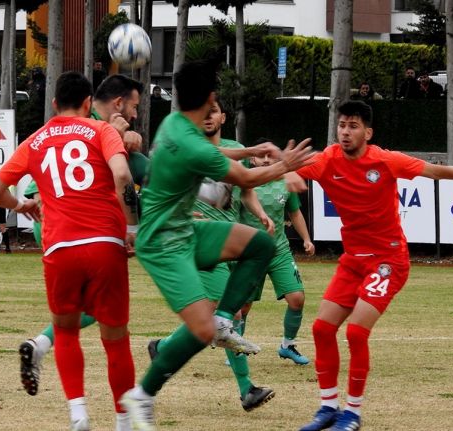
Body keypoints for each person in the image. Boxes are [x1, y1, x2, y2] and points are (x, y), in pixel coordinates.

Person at [119, 60, 315, 430]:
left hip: (187, 230)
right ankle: (142, 394)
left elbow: (221, 158)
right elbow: (242, 177)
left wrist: (252, 149)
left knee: (260, 244)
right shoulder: (195, 145)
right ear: (211, 98)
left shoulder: (175, 124)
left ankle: (226, 320)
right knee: (201, 330)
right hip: (164, 243)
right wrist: (285, 165)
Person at [294, 100, 453, 431]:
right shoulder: (327, 161)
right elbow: (283, 175)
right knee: (322, 329)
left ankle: (351, 413)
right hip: (352, 261)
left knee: (355, 331)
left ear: (368, 132)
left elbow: (437, 171)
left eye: (353, 126)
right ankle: (327, 408)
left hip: (388, 261)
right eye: (341, 125)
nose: (345, 132)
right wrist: (250, 173)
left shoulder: (385, 160)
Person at [0, 71, 139, 431]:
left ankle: (78, 415)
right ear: (88, 103)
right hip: (104, 243)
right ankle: (123, 424)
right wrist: (132, 226)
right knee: (116, 338)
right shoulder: (100, 130)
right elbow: (122, 176)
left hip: (60, 247)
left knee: (66, 332)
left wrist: (21, 203)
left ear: (54, 104)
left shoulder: (36, 140)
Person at [17, 74, 149, 399]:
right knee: (104, 312)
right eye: (133, 107)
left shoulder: (78, 124)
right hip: (69, 222)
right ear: (116, 104)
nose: (134, 115)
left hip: (56, 229)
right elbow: (129, 175)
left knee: (81, 307)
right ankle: (43, 344)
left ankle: (40, 346)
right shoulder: (94, 127)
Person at [146, 98, 278, 413]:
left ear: (223, 117)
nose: (208, 116)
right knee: (225, 317)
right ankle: (247, 388)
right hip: (195, 243)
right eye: (203, 110)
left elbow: (245, 189)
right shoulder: (184, 144)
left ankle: (163, 347)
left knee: (222, 315)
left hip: (229, 242)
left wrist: (259, 213)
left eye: (214, 110)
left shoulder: (233, 148)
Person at [240, 138, 315, 367]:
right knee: (242, 305)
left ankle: (287, 345)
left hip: (279, 249)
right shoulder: (243, 182)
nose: (264, 159)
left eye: (270, 156)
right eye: (260, 156)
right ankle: (237, 345)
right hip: (249, 252)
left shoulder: (285, 182)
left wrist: (306, 239)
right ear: (252, 159)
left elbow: (295, 213)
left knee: (297, 298)